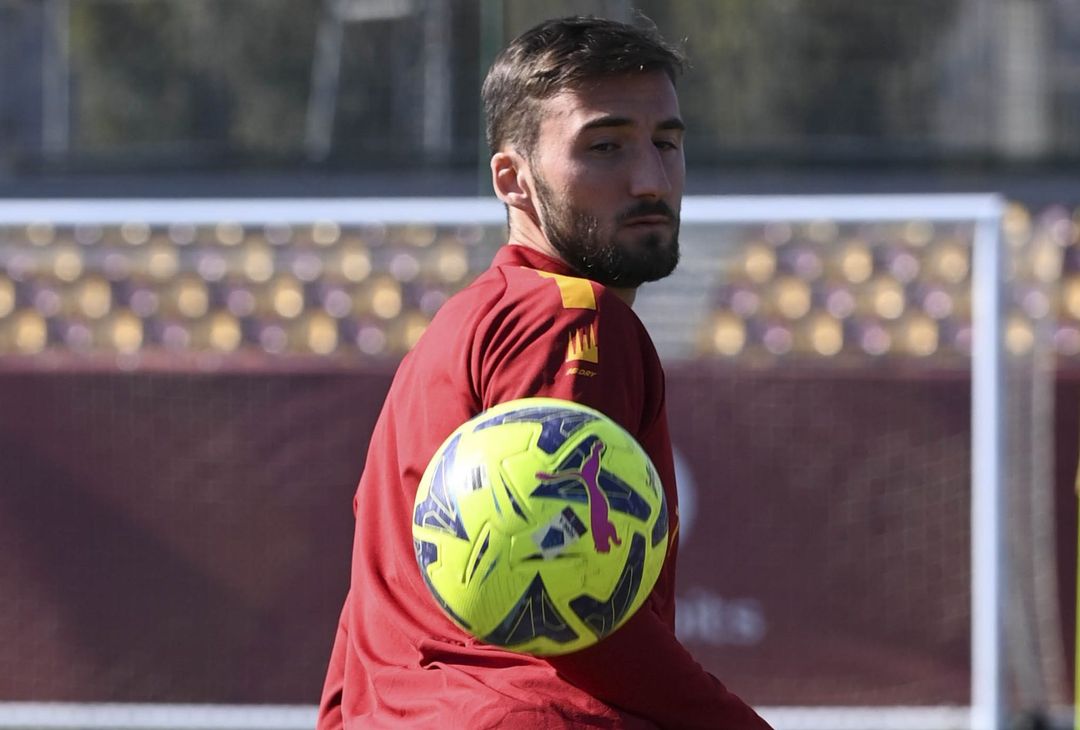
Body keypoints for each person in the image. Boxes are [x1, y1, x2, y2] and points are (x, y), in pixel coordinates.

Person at [318, 15, 773, 730]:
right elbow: (575, 599)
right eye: (604, 147)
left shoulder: (460, 327)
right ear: (513, 178)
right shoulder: (572, 318)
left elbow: (366, 615)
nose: (651, 179)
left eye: (667, 143)